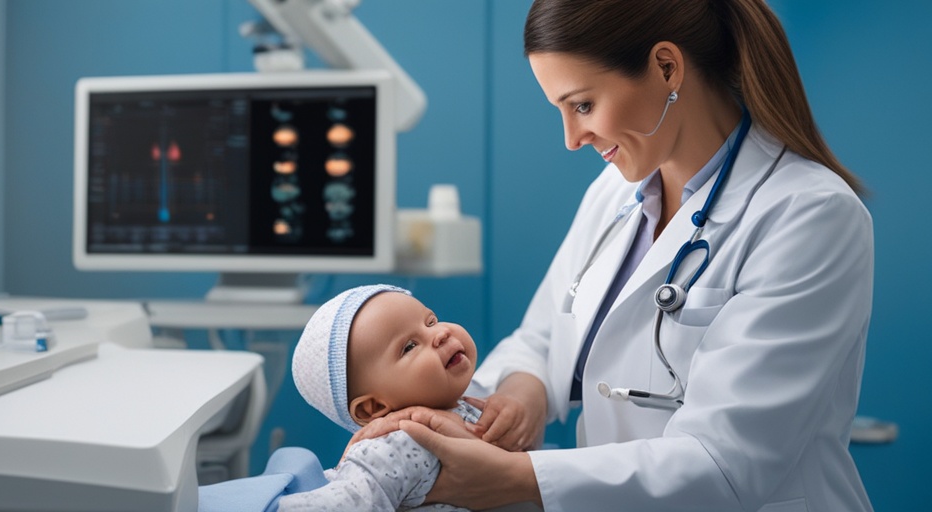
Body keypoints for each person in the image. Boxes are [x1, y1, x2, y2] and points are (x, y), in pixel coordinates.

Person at [352, 1, 875, 511]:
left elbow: (725, 463)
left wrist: (512, 477)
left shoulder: (809, 214)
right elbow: (541, 338)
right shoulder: (615, 193)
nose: (572, 139)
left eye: (582, 105)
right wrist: (520, 398)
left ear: (666, 67)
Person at [279, 284, 482, 511]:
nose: (440, 334)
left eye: (431, 321)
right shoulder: (397, 445)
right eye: (410, 346)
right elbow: (342, 503)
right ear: (373, 407)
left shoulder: (475, 404)